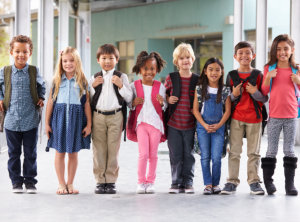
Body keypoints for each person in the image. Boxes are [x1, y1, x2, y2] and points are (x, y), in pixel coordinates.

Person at [221, 41, 268, 195]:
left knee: (253, 153)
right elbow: (227, 99)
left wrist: (254, 91)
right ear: (235, 56)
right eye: (240, 53)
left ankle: (254, 182)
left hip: (255, 118)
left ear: (253, 56)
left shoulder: (258, 75)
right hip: (236, 118)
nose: (244, 56)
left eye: (247, 53)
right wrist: (234, 95)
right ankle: (232, 182)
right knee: (234, 152)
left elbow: (264, 98)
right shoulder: (231, 75)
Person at [0, 35, 45, 193]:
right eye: (17, 51)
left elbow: (42, 86)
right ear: (11, 52)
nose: (21, 55)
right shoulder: (5, 71)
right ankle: (16, 182)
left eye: (24, 52)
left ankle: (30, 181)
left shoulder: (33, 71)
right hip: (11, 120)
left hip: (30, 120)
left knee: (30, 153)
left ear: (30, 52)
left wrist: (41, 97)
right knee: (13, 154)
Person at [45, 47, 91, 195]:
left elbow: (87, 104)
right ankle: (61, 184)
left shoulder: (83, 81)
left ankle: (70, 183)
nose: (68, 63)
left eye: (71, 60)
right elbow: (50, 103)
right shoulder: (56, 81)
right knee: (59, 152)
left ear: (77, 62)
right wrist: (47, 123)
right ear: (61, 62)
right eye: (65, 61)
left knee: (73, 153)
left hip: (76, 121)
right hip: (59, 120)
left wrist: (89, 124)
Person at [90, 44, 132, 194]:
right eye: (104, 58)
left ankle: (111, 180)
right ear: (98, 60)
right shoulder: (94, 78)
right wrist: (93, 87)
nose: (107, 61)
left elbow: (129, 98)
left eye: (111, 58)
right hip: (98, 116)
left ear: (117, 60)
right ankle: (100, 181)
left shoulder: (122, 77)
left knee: (113, 149)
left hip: (116, 116)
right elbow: (88, 99)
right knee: (98, 149)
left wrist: (121, 86)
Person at [261, 34, 300, 196]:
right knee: (271, 150)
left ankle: (289, 185)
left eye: (285, 49)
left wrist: (298, 81)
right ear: (274, 51)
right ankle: (269, 183)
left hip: (291, 116)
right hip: (275, 116)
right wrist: (268, 77)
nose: (282, 52)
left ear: (292, 50)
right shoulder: (269, 68)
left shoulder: (296, 69)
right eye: (278, 49)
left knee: (289, 150)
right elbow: (264, 92)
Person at [127, 51, 167, 194]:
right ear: (139, 69)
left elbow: (165, 106)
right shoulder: (134, 85)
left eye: (152, 69)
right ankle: (140, 182)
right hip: (141, 124)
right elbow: (129, 104)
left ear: (157, 70)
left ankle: (150, 182)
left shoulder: (160, 86)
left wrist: (162, 103)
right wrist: (133, 103)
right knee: (143, 154)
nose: (149, 72)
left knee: (153, 155)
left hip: (155, 124)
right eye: (145, 68)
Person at [193, 58, 231, 195]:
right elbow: (195, 110)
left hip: (219, 128)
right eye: (210, 69)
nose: (214, 72)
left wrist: (219, 125)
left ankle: (216, 184)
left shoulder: (226, 89)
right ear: (205, 71)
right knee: (205, 156)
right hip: (203, 127)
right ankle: (207, 184)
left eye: (217, 70)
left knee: (216, 157)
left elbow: (227, 111)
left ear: (221, 72)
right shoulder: (200, 89)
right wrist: (204, 124)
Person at [164, 43, 199, 194]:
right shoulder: (171, 78)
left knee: (189, 155)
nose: (185, 60)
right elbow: (164, 94)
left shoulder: (197, 79)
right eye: (182, 58)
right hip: (173, 124)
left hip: (190, 124)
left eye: (188, 57)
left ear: (193, 59)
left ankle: (188, 181)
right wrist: (168, 98)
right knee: (175, 154)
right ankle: (176, 182)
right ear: (176, 61)